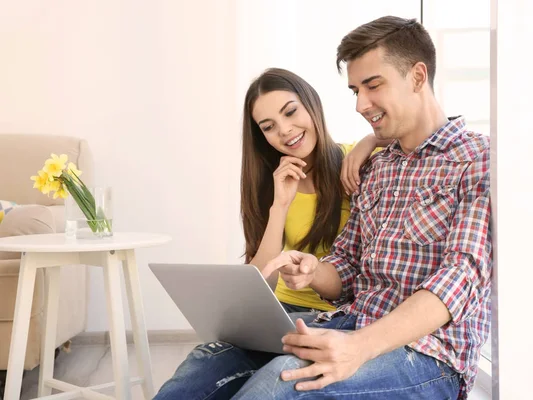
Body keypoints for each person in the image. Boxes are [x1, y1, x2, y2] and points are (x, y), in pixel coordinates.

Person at [155, 16, 491, 400]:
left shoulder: (478, 158)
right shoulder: (379, 167)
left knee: (281, 381)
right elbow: (347, 267)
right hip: (350, 322)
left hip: (428, 355)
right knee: (209, 361)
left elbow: (462, 278)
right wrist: (314, 270)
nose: (361, 104)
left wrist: (360, 345)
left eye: (373, 86)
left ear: (417, 76)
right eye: (355, 90)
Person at [239, 68, 389, 315]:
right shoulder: (271, 183)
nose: (285, 130)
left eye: (290, 112)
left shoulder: (360, 162)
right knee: (204, 355)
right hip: (285, 309)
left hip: (345, 313)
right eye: (268, 127)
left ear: (312, 105)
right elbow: (260, 282)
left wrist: (371, 140)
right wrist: (280, 206)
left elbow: (417, 136)